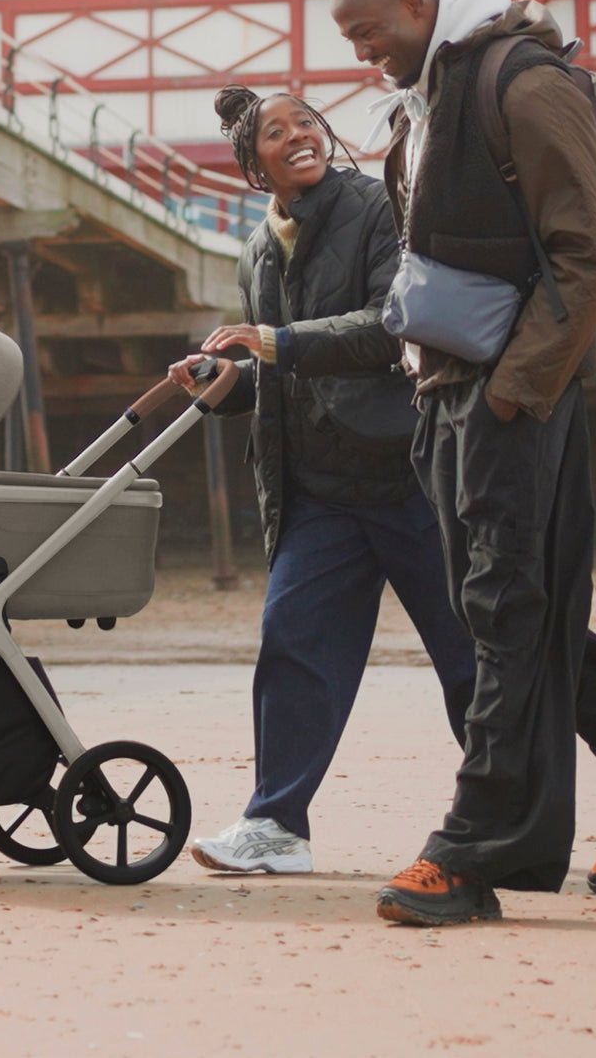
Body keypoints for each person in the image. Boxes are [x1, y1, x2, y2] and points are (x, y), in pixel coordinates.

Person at [327, 0, 596, 925]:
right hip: (445, 391)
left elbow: (582, 257)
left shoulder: (520, 79)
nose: (361, 51)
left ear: (419, 4)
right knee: (497, 612)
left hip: (508, 392)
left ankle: (471, 847)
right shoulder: (424, 100)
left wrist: (512, 393)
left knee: (502, 609)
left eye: (368, 30)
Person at [169, 84, 477, 875]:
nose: (300, 136)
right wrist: (224, 385)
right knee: (294, 646)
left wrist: (272, 342)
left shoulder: (377, 208)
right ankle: (276, 827)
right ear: (252, 162)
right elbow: (276, 374)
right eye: (277, 132)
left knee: (470, 659)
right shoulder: (255, 250)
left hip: (408, 476)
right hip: (319, 494)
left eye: (307, 122)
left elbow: (393, 323)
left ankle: (507, 815)